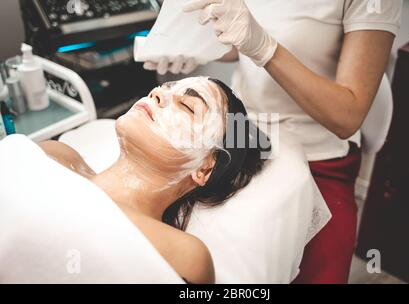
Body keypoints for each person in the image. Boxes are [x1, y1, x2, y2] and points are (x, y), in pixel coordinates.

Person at [143, 0, 402, 283]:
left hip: (317, 152)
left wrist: (266, 48)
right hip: (240, 134)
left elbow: (347, 116)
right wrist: (198, 47)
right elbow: (241, 42)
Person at [39, 76, 269, 284]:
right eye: (163, 88)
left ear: (205, 168)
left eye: (187, 106)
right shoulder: (56, 154)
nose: (156, 94)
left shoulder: (184, 255)